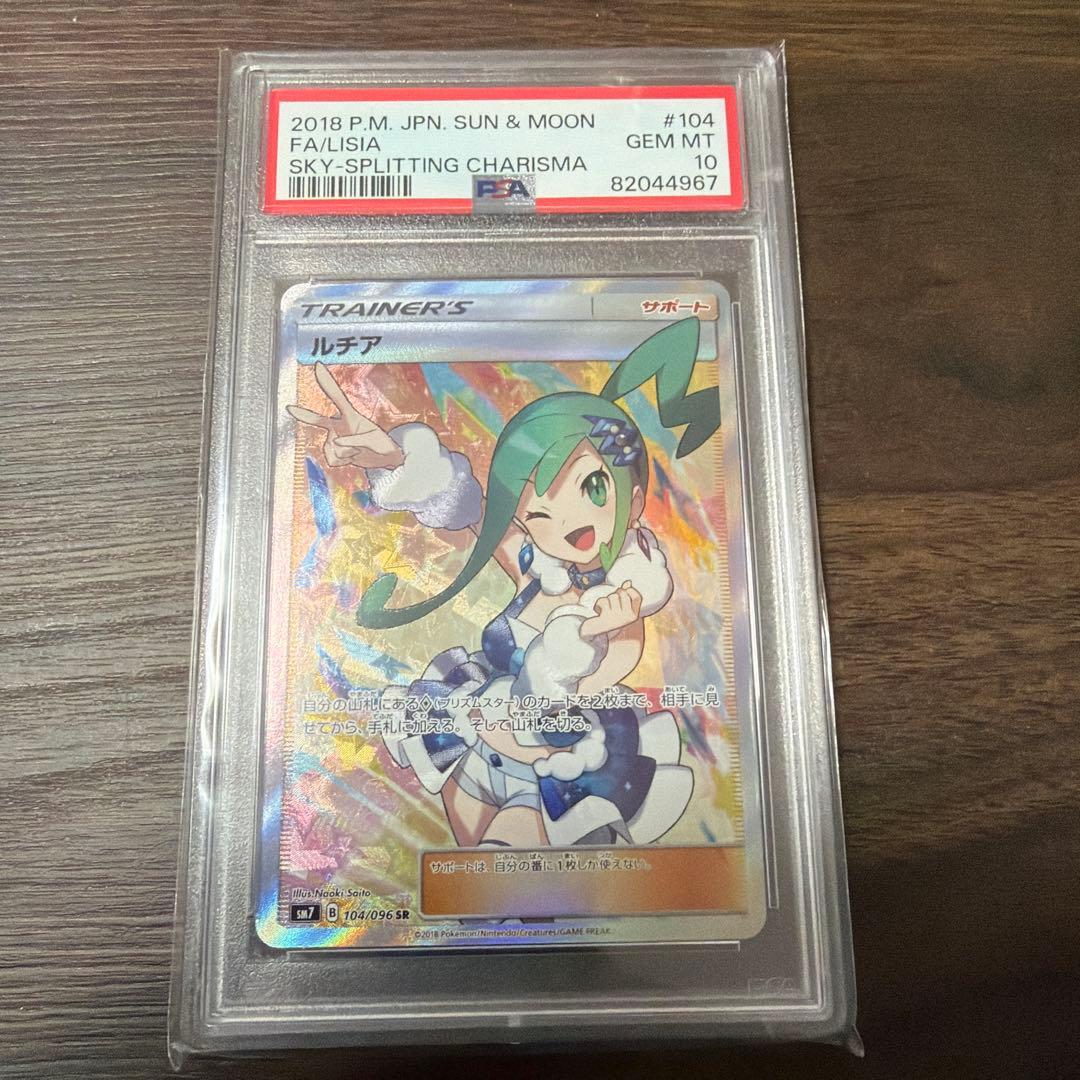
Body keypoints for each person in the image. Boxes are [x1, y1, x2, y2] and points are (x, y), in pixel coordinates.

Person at [288, 317, 719, 849]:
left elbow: (606, 669)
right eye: (539, 510)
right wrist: (400, 462)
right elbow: (468, 507)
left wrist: (577, 660)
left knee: (513, 854)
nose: (569, 522)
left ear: (632, 504)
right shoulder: (537, 565)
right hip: (478, 733)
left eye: (592, 488)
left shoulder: (622, 599)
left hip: (557, 761)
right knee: (471, 870)